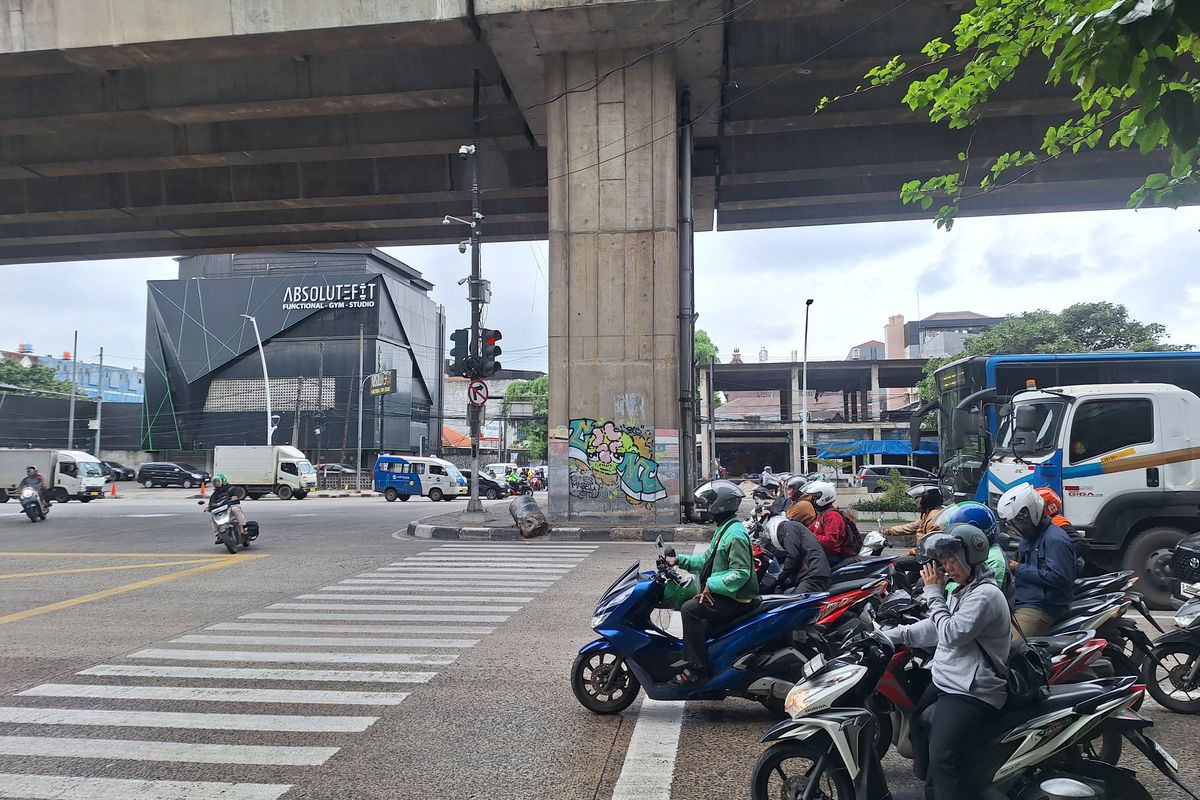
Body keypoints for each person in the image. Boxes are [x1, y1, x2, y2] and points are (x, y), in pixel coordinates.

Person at [883, 525, 1010, 800]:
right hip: (949, 681)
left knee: (944, 757)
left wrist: (933, 593)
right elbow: (935, 626)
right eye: (943, 561)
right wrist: (889, 637)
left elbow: (952, 634)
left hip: (973, 690)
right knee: (918, 725)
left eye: (952, 559)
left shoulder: (985, 595)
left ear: (971, 555)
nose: (946, 567)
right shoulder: (963, 590)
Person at [666, 480, 760, 686]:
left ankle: (696, 670)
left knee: (689, 609)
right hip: (728, 594)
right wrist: (679, 560)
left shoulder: (735, 535)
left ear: (721, 504)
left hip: (738, 598)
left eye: (709, 502)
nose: (706, 507)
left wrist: (712, 583)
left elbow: (741, 572)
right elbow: (706, 560)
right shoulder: (724, 530)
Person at [998, 483, 1076, 636]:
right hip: (1021, 598)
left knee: (1009, 649)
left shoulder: (1055, 539)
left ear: (1030, 513)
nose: (1016, 528)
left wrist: (1018, 568)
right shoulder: (1029, 536)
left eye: (1018, 522)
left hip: (1039, 607)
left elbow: (1059, 577)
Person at [936, 502, 1011, 599]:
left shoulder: (994, 559)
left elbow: (973, 593)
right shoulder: (976, 553)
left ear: (973, 533)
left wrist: (939, 585)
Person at [758, 511, 831, 595]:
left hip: (814, 576)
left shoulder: (790, 528)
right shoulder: (791, 527)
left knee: (795, 603)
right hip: (807, 573)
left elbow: (793, 556)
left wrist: (780, 577)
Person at [801, 480, 857, 567]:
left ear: (824, 497)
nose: (812, 500)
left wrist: (811, 536)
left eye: (815, 497)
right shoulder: (822, 514)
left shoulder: (832, 516)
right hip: (820, 552)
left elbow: (830, 542)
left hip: (830, 557)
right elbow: (808, 530)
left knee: (805, 575)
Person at [1035, 486, 1087, 573]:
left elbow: (1081, 543)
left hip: (1066, 568)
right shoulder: (1047, 522)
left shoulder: (1058, 523)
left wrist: (1058, 559)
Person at [884, 484, 944, 556]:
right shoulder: (926, 514)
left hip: (925, 556)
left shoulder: (933, 518)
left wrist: (910, 553)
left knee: (895, 564)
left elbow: (929, 544)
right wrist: (889, 531)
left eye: (918, 498)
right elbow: (910, 527)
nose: (916, 501)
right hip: (921, 553)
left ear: (926, 499)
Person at [204, 474, 246, 542]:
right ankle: (218, 535)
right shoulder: (215, 493)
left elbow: (238, 491)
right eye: (215, 482)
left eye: (218, 481)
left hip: (232, 506)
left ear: (223, 480)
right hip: (223, 509)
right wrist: (208, 508)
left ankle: (241, 529)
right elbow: (212, 502)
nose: (216, 483)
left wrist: (236, 496)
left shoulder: (230, 488)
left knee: (235, 509)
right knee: (213, 519)